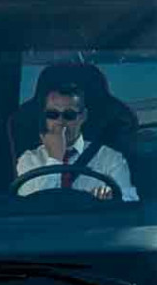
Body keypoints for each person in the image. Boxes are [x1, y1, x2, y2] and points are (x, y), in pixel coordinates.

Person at [11, 70, 137, 203]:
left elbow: (129, 203)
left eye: (69, 115)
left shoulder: (110, 158)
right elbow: (34, 208)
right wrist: (55, 158)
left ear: (83, 117)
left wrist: (109, 200)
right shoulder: (29, 160)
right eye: (52, 115)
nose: (60, 122)